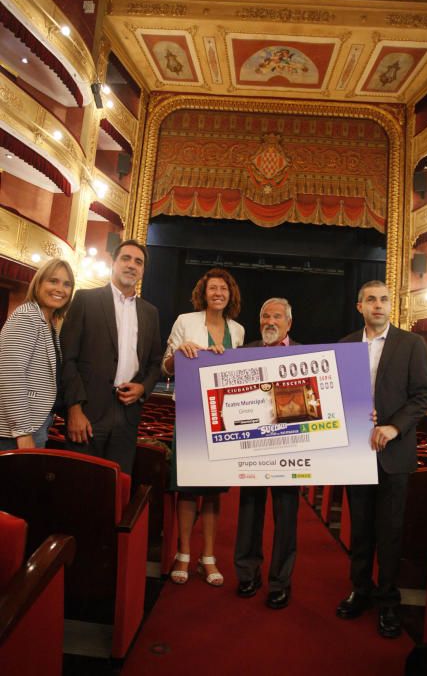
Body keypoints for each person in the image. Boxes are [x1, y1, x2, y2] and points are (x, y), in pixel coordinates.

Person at [336, 280, 427, 638]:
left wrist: (394, 427)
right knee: (360, 530)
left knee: (390, 533)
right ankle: (360, 591)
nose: (378, 305)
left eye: (384, 300)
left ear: (391, 306)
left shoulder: (412, 344)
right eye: (371, 300)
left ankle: (388, 601)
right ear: (359, 306)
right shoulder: (344, 346)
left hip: (395, 453)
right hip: (355, 453)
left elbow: (423, 396)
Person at [163, 268, 244, 587]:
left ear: (230, 294)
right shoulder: (185, 321)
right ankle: (183, 553)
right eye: (213, 288)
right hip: (190, 413)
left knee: (212, 492)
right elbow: (165, 366)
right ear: (204, 293)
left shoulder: (237, 330)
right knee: (186, 488)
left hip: (223, 418)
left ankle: (207, 557)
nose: (218, 293)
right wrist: (178, 354)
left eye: (223, 288)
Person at [60, 239, 161, 474]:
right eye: (125, 258)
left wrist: (143, 388)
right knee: (79, 487)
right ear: (113, 263)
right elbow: (68, 358)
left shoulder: (150, 313)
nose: (131, 265)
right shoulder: (86, 300)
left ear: (143, 270)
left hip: (127, 417)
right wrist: (74, 410)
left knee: (116, 491)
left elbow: (156, 363)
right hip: (87, 413)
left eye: (138, 262)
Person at [234, 297, 299, 610]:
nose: (270, 321)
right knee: (249, 513)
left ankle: (280, 582)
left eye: (276, 316)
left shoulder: (305, 355)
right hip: (253, 448)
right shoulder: (244, 353)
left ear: (289, 323)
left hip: (290, 450)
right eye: (264, 316)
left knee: (286, 518)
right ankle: (247, 573)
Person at [0, 258, 74, 450]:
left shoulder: (48, 323)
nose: (60, 289)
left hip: (36, 423)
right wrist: (23, 433)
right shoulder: (27, 316)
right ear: (38, 283)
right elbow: (10, 376)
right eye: (53, 281)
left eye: (67, 284)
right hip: (15, 431)